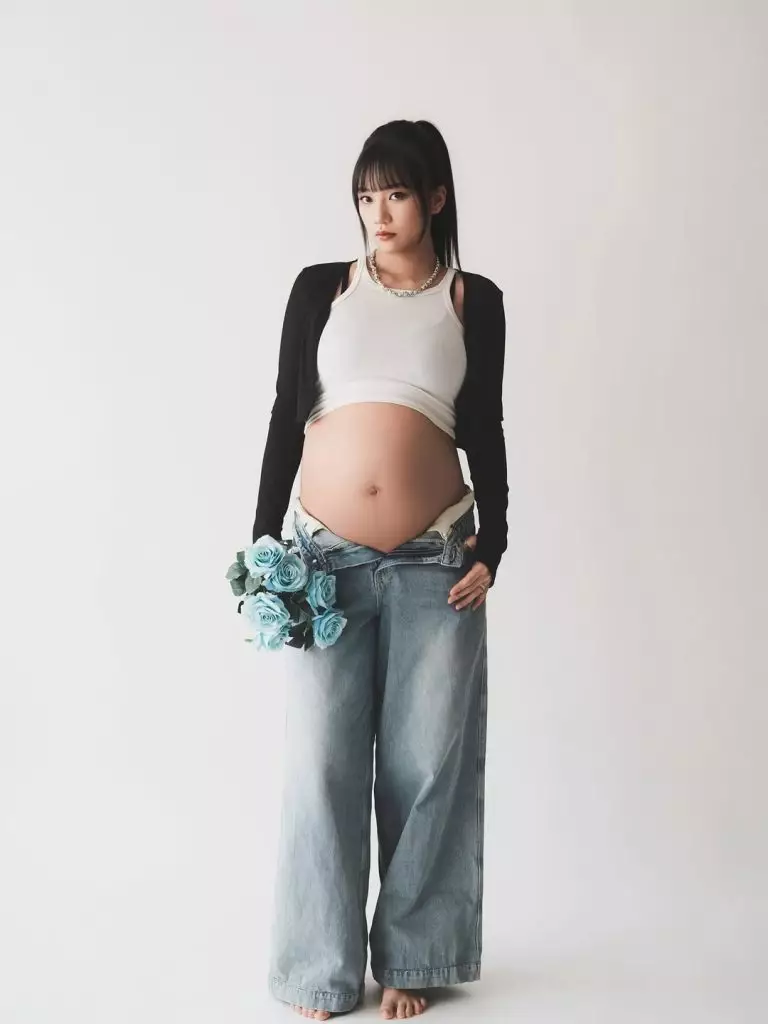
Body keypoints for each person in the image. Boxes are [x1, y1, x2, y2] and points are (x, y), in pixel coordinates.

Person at [251, 119, 509, 1020]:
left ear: (435, 198)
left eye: (396, 193)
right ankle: (319, 969)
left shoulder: (473, 300)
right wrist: (263, 546)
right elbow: (285, 416)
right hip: (322, 557)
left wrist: (495, 543)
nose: (378, 213)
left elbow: (485, 428)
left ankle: (415, 956)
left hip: (437, 558)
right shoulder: (322, 289)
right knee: (320, 765)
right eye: (366, 196)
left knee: (426, 766)